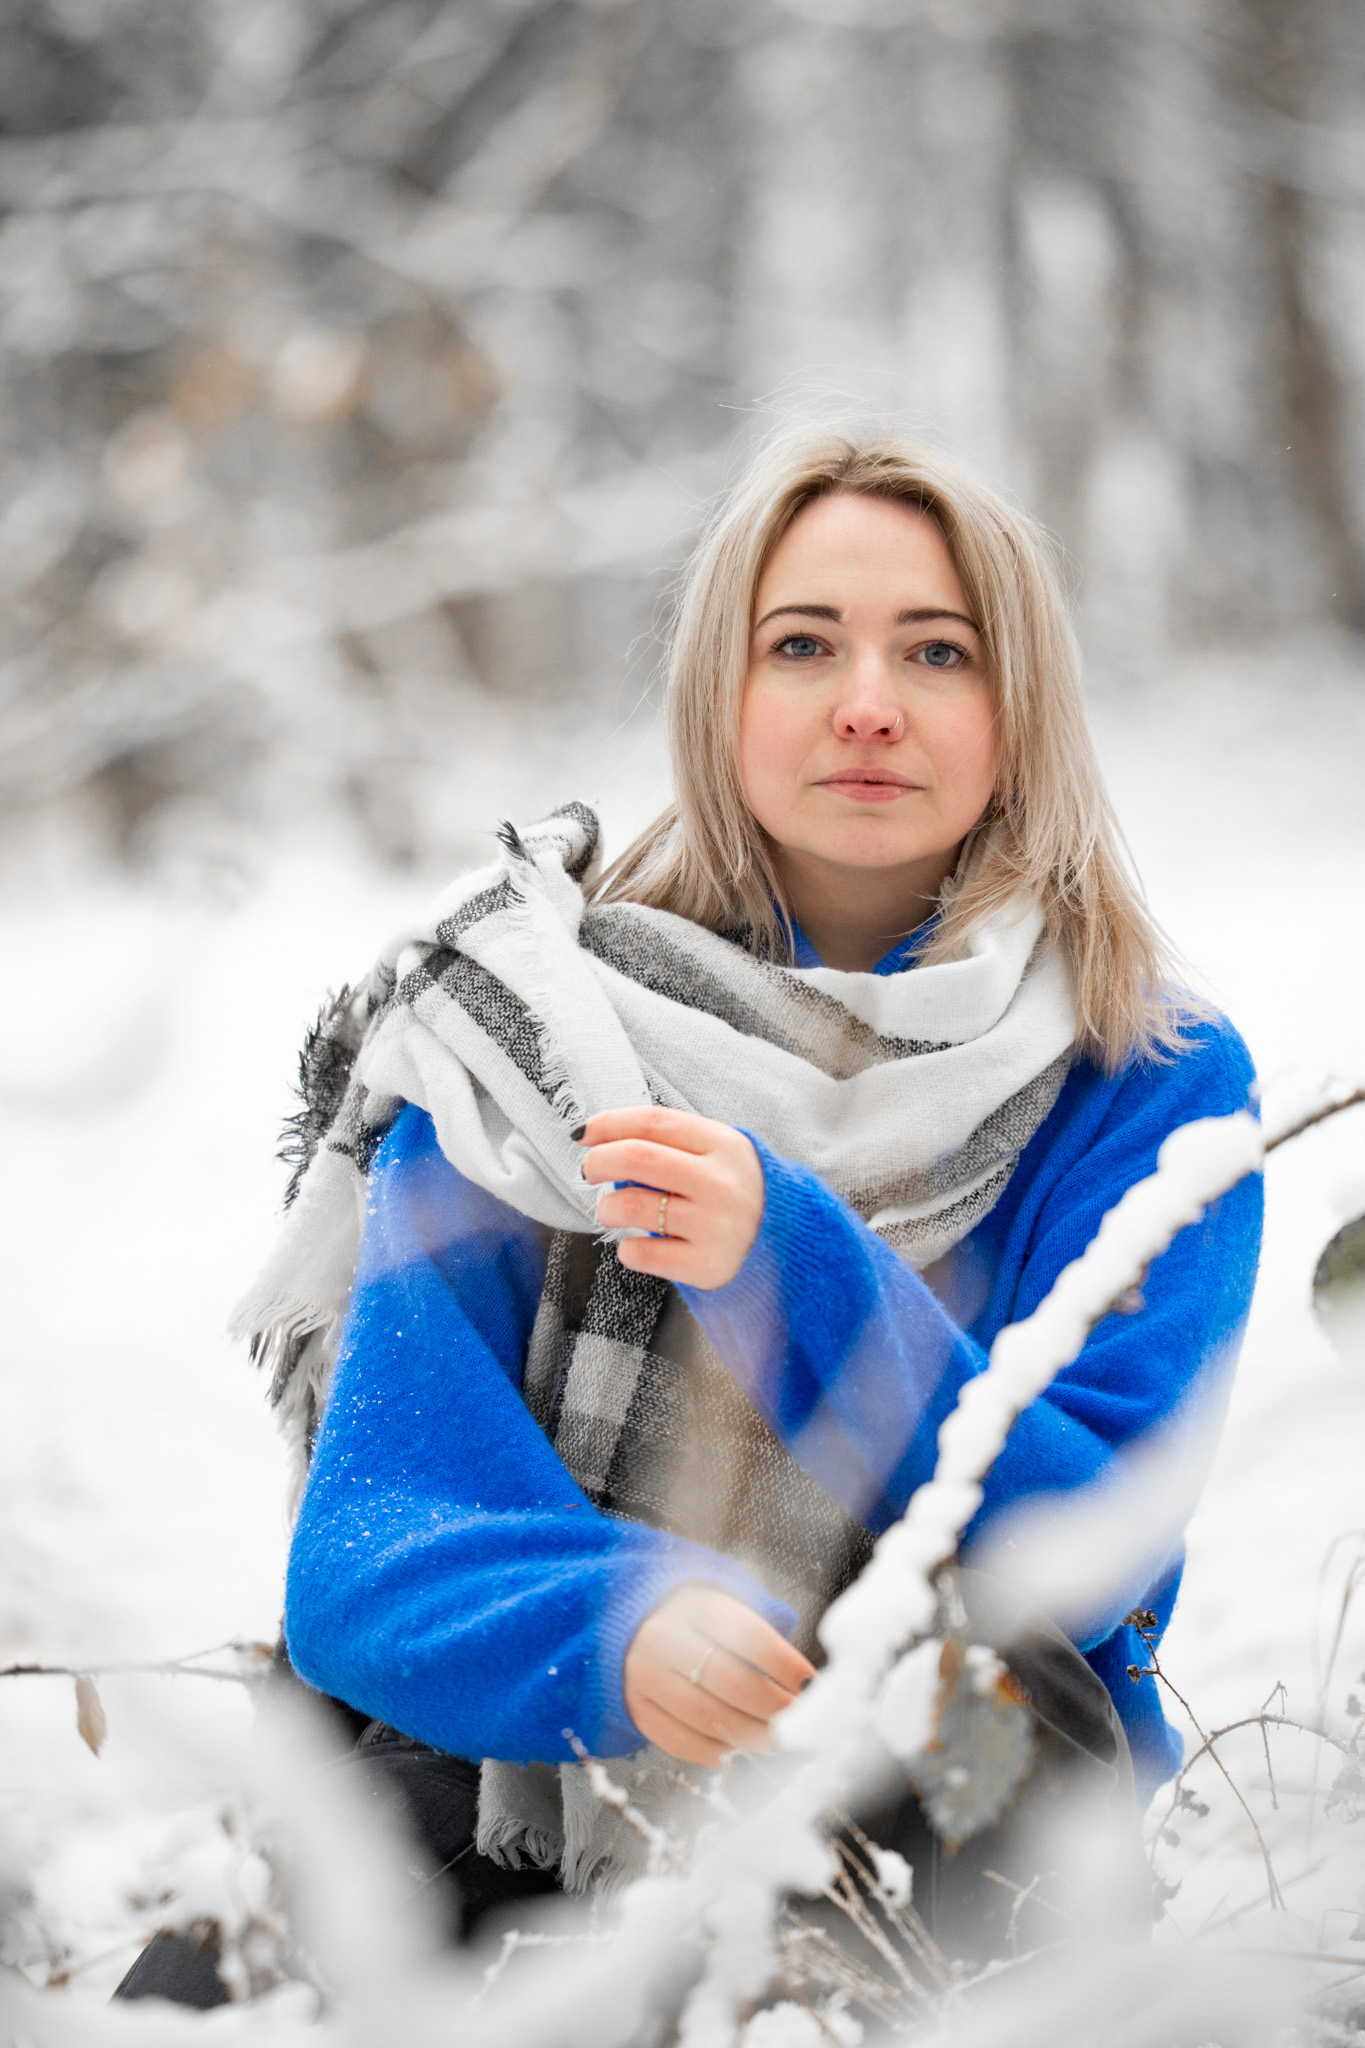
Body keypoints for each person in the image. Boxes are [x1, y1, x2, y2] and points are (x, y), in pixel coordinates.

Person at [128, 430, 1263, 1999]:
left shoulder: (1142, 1079)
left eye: (937, 650)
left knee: (997, 1696)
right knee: (217, 1980)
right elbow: (377, 1541)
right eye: (800, 645)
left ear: (1021, 711)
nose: (866, 700)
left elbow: (1096, 1559)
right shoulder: (537, 1047)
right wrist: (618, 1630)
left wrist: (795, 1271)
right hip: (536, 1776)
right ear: (717, 697)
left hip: (958, 1777)